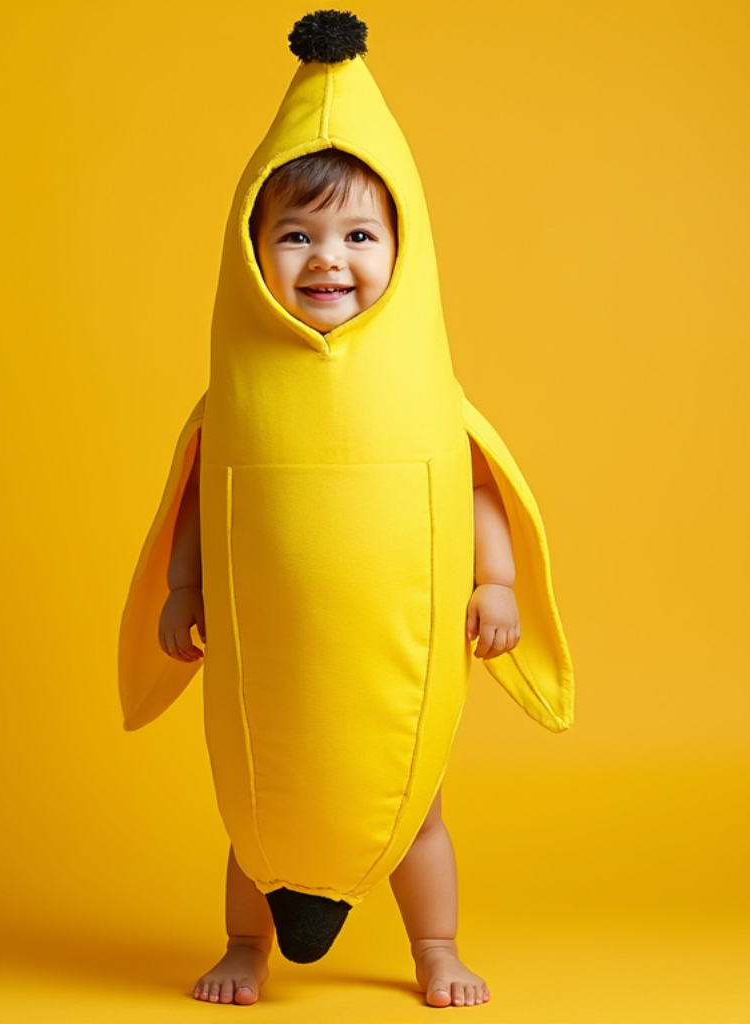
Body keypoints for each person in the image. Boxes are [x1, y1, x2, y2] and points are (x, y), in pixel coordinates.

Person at [159, 149, 520, 1008]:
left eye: (359, 234)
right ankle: (247, 945)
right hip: (272, 659)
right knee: (256, 820)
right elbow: (196, 497)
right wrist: (183, 588)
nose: (326, 257)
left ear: (405, 251)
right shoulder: (238, 393)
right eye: (295, 235)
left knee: (415, 812)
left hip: (397, 658)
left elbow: (478, 482)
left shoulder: (427, 387)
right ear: (252, 258)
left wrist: (495, 582)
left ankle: (435, 945)